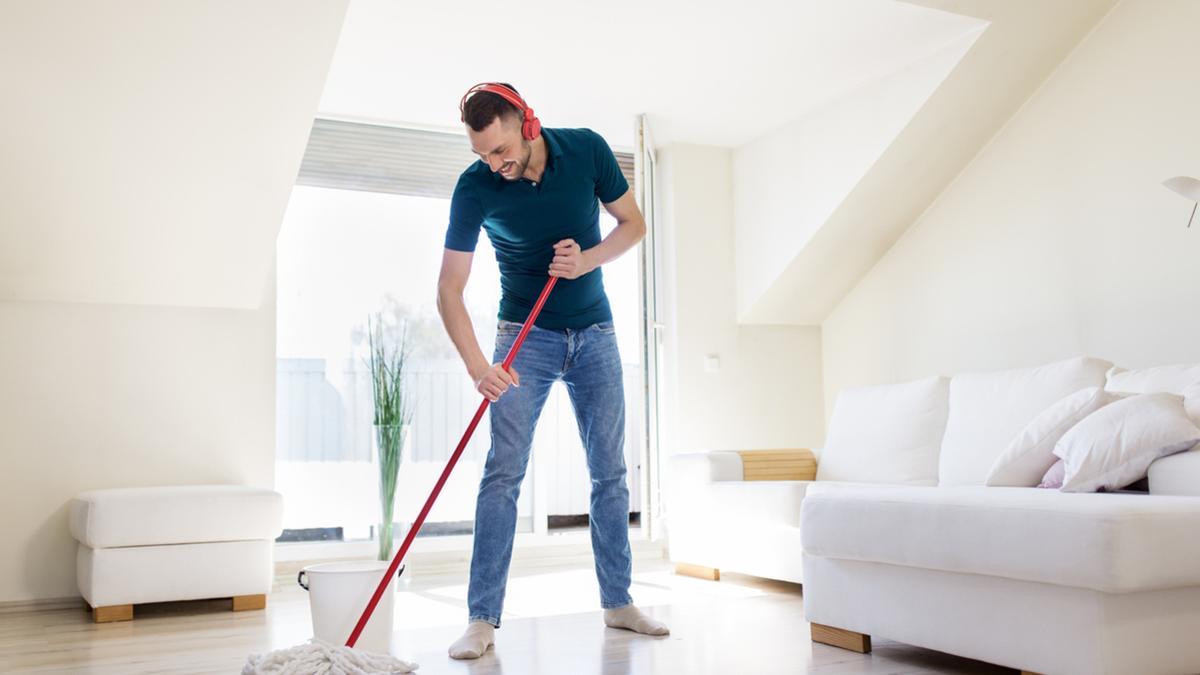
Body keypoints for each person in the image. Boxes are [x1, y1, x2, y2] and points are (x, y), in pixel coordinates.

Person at [436, 82, 669, 660]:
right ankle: (482, 618)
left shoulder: (587, 150)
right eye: (482, 154)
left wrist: (587, 260)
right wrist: (478, 367)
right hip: (523, 341)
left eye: (500, 149)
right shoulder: (475, 188)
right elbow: (449, 289)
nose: (495, 164)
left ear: (527, 123)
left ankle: (618, 603)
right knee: (503, 474)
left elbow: (634, 225)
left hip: (595, 333)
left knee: (609, 472)